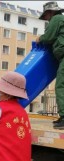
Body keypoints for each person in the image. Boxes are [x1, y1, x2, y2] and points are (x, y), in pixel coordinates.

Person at [36, 1, 64, 129]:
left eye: (46, 16)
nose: (46, 19)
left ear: (50, 12)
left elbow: (48, 37)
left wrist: (40, 38)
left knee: (61, 86)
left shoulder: (57, 18)